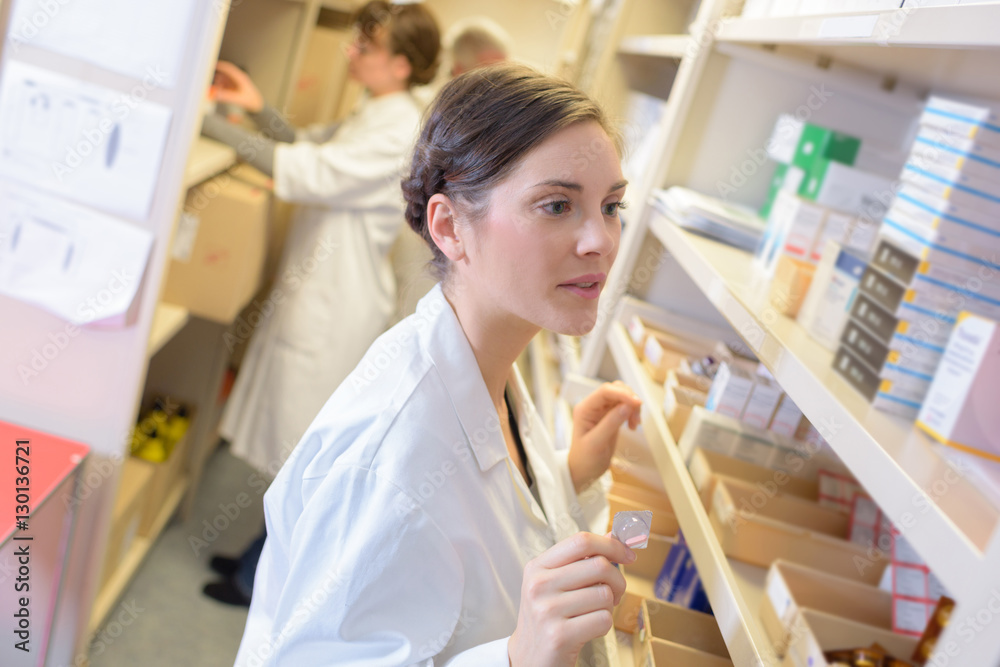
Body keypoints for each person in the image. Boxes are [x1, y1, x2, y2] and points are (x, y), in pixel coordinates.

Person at [235, 62, 644, 666]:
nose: (600, 241)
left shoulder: (488, 364)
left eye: (611, 206)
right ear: (450, 226)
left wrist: (563, 475)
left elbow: (477, 524)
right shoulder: (389, 460)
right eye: (557, 206)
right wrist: (514, 658)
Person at [198, 0, 441, 606]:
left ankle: (266, 580)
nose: (351, 51)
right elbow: (309, 143)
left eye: (368, 45)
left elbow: (311, 169)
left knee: (308, 461)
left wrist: (204, 122)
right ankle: (259, 561)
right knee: (296, 452)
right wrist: (255, 110)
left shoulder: (397, 127)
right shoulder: (378, 110)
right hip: (320, 295)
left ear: (402, 63)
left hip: (338, 306)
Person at [393, 17, 511, 321]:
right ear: (458, 70)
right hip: (405, 244)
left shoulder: (487, 125)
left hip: (447, 253)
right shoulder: (414, 111)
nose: (497, 86)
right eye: (487, 74)